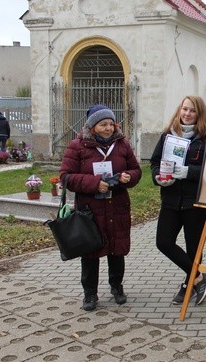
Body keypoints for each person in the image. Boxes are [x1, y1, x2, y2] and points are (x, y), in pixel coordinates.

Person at [60, 104, 142, 311]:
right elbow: (66, 177)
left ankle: (117, 287)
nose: (108, 128)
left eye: (111, 124)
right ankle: (90, 294)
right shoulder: (77, 146)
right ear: (92, 126)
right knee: (91, 252)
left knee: (117, 249)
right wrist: (94, 183)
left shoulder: (122, 144)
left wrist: (128, 177)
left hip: (117, 206)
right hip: (90, 209)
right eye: (103, 124)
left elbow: (136, 170)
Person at [150, 96, 206, 306]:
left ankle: (188, 284)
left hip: (195, 201)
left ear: (199, 114)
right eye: (184, 109)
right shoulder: (168, 135)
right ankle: (200, 277)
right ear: (179, 110)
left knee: (194, 247)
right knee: (163, 242)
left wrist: (188, 172)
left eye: (192, 111)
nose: (187, 114)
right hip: (170, 199)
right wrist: (158, 177)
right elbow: (155, 162)